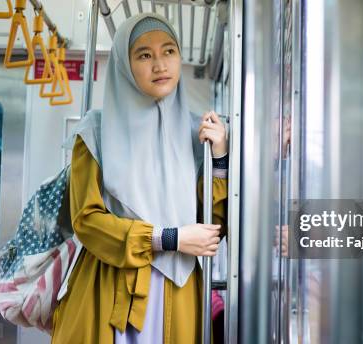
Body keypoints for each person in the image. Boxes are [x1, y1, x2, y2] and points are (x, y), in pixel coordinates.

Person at [51, 13, 229, 344]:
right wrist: (169, 238)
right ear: (124, 65)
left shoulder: (199, 133)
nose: (160, 65)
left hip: (180, 290)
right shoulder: (94, 133)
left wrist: (219, 158)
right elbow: (87, 222)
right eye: (144, 55)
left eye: (169, 51)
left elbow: (215, 227)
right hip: (108, 289)